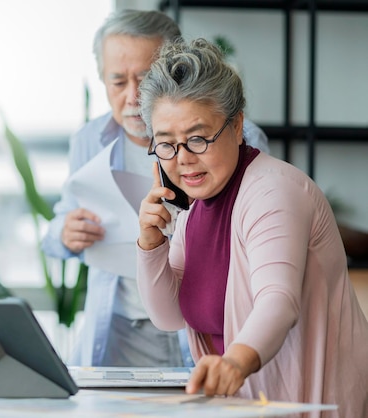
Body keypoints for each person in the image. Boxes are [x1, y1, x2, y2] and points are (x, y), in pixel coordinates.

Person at [136, 37, 368, 415]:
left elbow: (278, 301)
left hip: (310, 406)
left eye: (197, 138)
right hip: (248, 407)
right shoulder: (194, 211)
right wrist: (150, 243)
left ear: (236, 124)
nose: (184, 160)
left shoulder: (273, 190)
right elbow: (168, 316)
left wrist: (234, 362)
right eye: (167, 144)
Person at [41, 9, 270, 367]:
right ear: (102, 80)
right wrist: (65, 232)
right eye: (118, 82)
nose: (132, 97)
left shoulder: (238, 138)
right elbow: (54, 232)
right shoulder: (88, 141)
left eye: (145, 80)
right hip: (119, 329)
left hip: (205, 325)